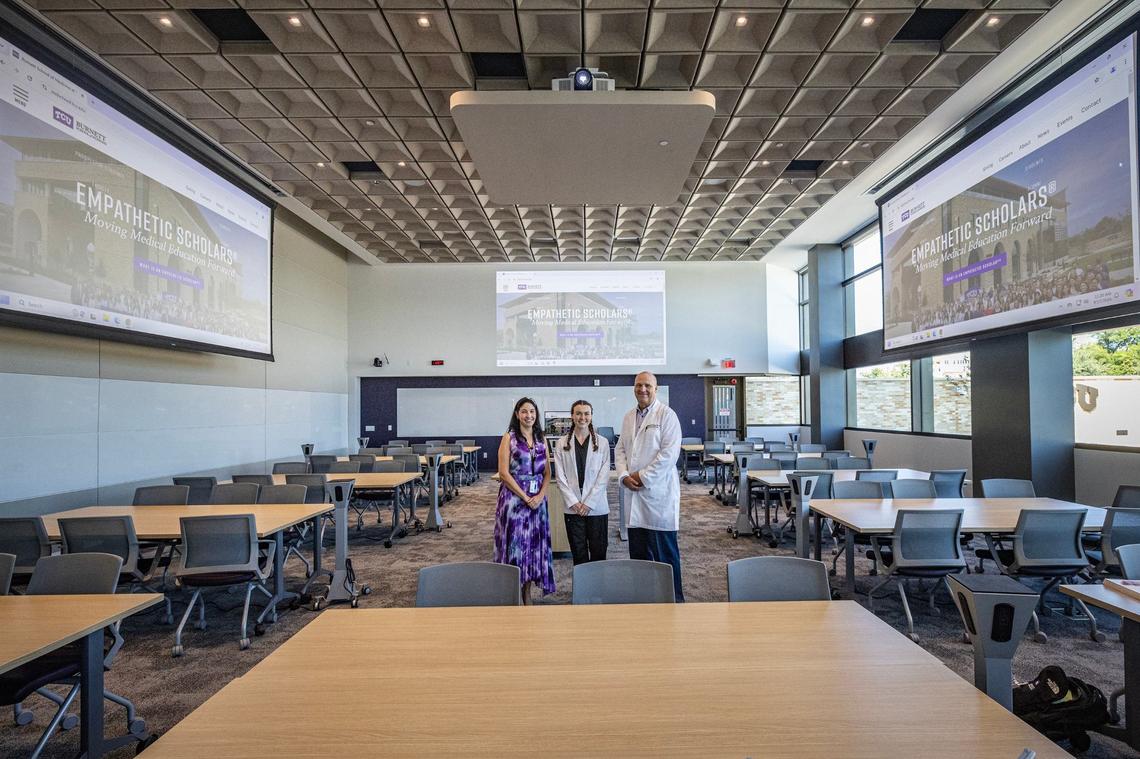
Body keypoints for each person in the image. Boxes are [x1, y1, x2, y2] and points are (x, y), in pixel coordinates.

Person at [614, 371, 684, 602]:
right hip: (633, 496)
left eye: (647, 386)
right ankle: (641, 602)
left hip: (658, 497)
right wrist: (624, 475)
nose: (642, 389)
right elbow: (621, 449)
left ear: (656, 389)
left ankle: (674, 601)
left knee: (666, 558)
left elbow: (669, 455)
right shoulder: (627, 417)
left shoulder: (667, 415)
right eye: (638, 385)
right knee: (639, 559)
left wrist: (641, 477)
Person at [494, 397, 555, 603]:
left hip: (537, 502)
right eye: (524, 411)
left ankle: (527, 594)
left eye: (532, 411)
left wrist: (539, 496)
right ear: (517, 414)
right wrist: (525, 496)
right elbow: (503, 473)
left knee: (533, 547)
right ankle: (513, 594)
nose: (529, 415)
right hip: (514, 501)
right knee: (516, 547)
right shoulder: (508, 438)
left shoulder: (541, 438)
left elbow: (547, 472)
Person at [553, 400, 611, 565]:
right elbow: (560, 477)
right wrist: (574, 502)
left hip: (596, 507)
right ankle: (582, 590)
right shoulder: (562, 443)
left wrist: (589, 503)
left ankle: (598, 590)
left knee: (599, 552)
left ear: (591, 416)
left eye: (586, 413)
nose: (582, 417)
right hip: (573, 508)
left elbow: (603, 476)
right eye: (578, 413)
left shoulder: (603, 443)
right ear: (572, 416)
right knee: (578, 553)